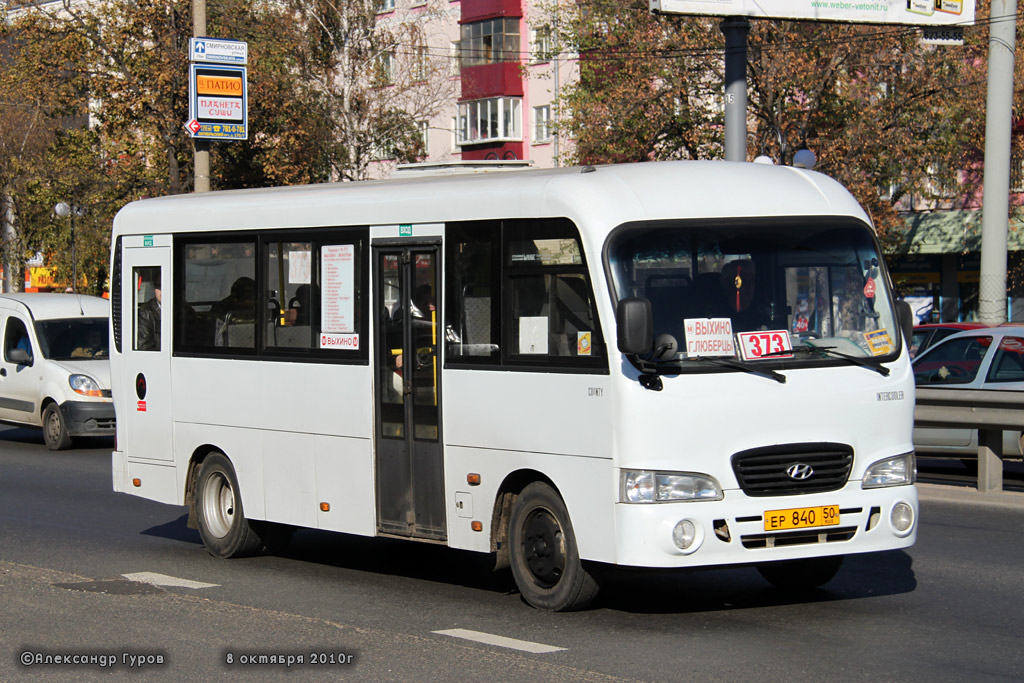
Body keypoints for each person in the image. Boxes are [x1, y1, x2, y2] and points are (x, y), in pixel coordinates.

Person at [137, 286, 161, 351]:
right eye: (159, 287)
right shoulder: (145, 312)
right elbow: (144, 346)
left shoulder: (184, 308)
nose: (163, 290)